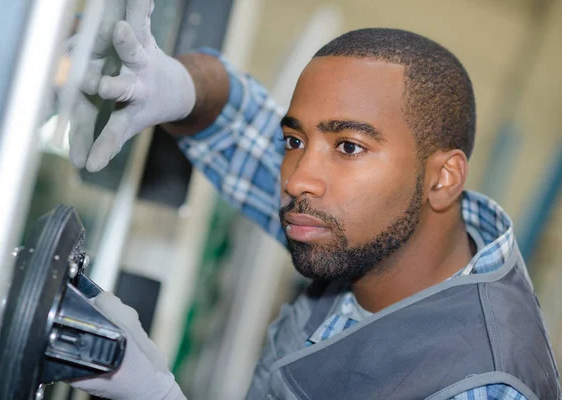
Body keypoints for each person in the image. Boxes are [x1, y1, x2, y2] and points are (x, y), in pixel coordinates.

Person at [68, 1, 560, 399]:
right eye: (295, 141)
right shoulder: (375, 233)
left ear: (443, 178)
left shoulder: (481, 386)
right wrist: (179, 87)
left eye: (348, 146)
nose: (299, 179)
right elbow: (238, 118)